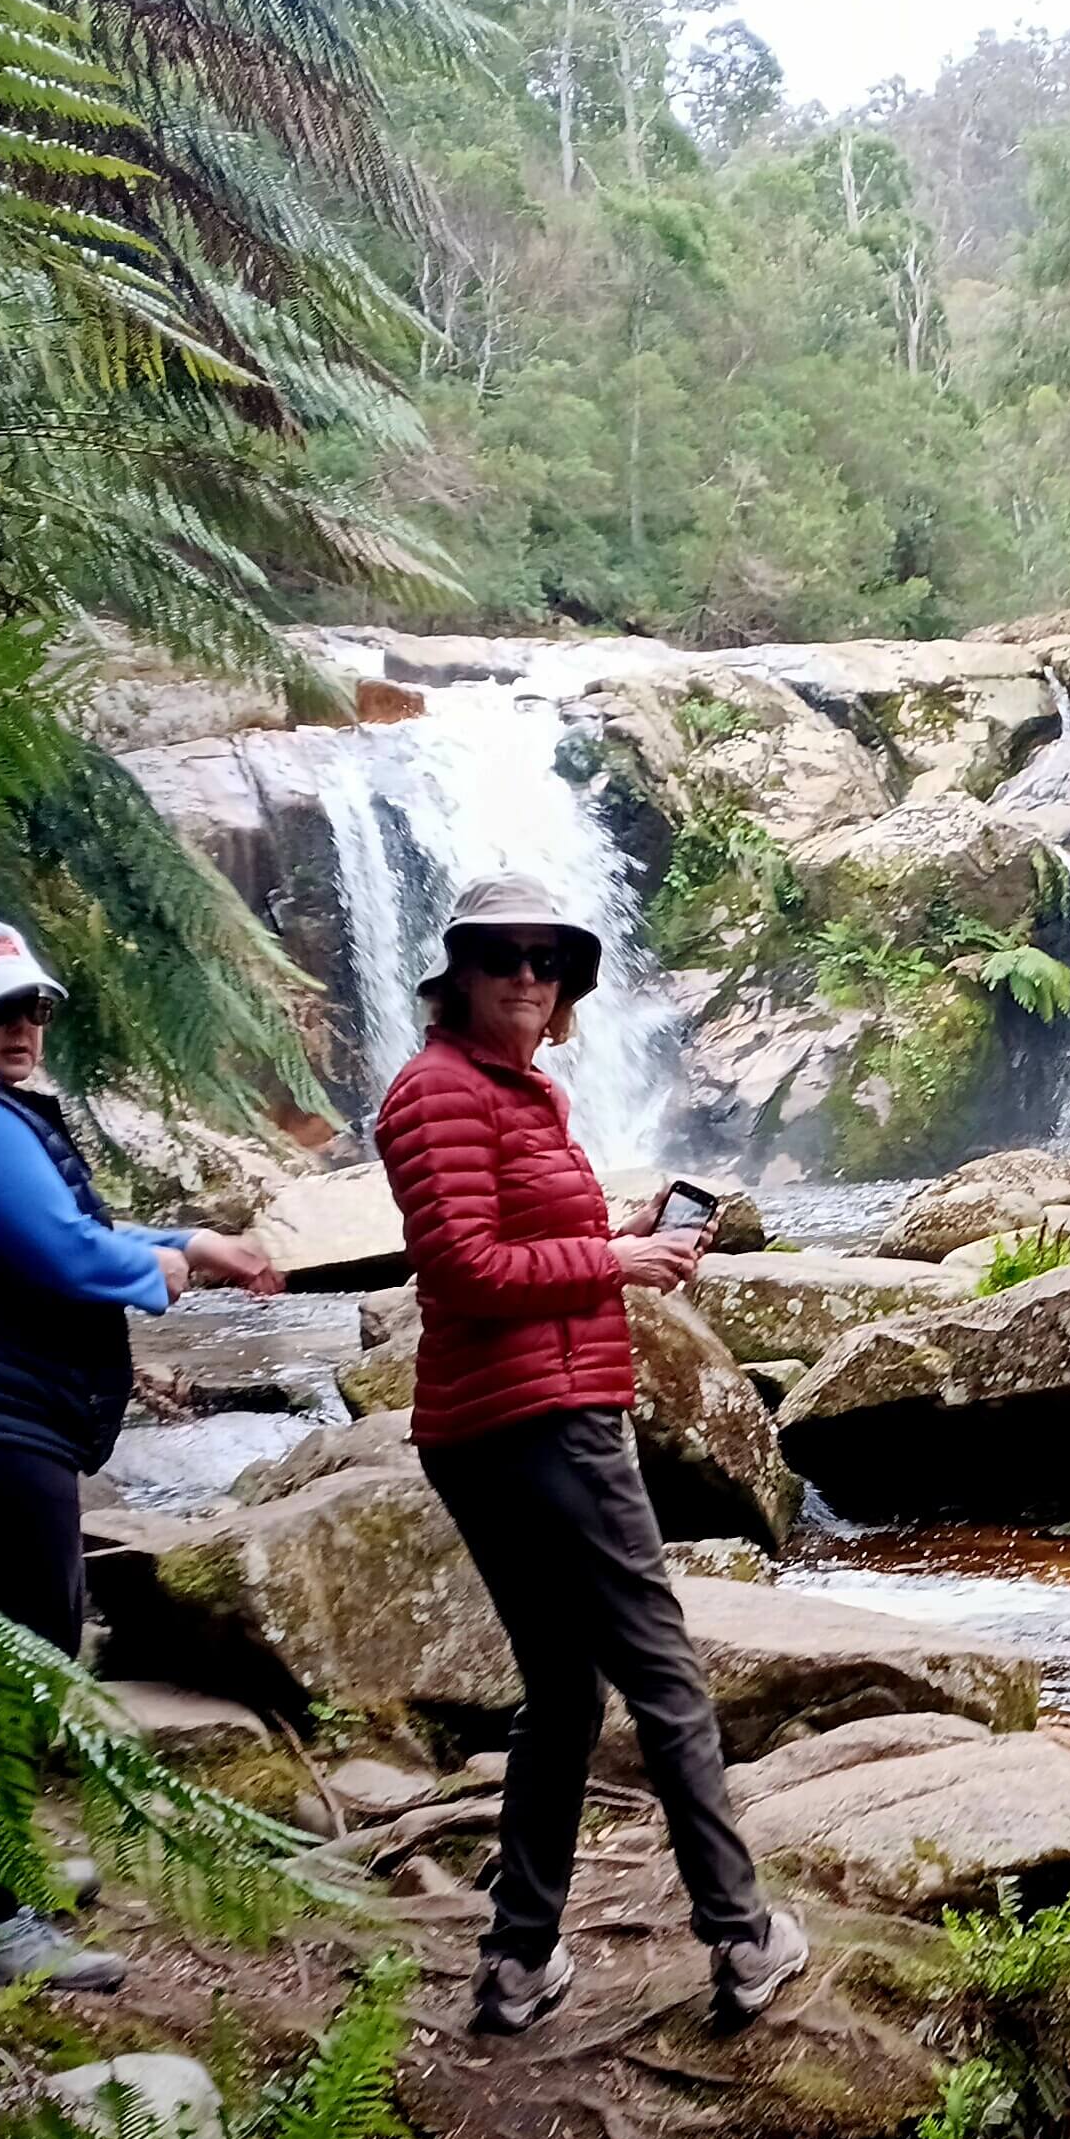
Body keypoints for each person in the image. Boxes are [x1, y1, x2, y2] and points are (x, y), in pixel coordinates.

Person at [374, 871, 807, 2041]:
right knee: (663, 1674)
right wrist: (616, 1266)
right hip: (542, 1421)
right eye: (503, 956)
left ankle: (519, 1966)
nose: (527, 976)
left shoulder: (516, 1092)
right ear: (456, 972)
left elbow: (520, 1244)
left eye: (548, 961)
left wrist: (621, 1240)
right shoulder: (439, 1091)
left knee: (564, 1694)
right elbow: (460, 1270)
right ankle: (742, 1935)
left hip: (506, 1423)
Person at [0, 915, 282, 1989]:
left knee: (5, 1649)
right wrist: (165, 1270)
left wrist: (183, 1240)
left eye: (35, 1005)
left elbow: (48, 1226)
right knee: (17, 1654)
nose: (25, 1024)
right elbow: (58, 1248)